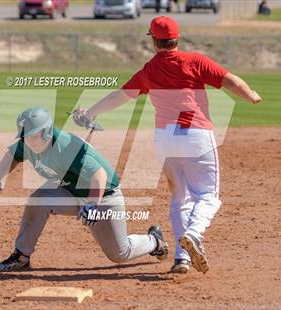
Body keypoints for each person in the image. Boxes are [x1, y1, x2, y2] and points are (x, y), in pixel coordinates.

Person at [73, 16, 262, 274]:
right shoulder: (194, 61)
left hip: (165, 139)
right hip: (195, 133)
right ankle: (194, 235)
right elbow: (232, 81)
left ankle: (182, 257)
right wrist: (251, 95)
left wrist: (90, 113)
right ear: (177, 38)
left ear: (153, 41)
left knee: (179, 196)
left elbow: (120, 96)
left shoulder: (149, 70)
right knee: (207, 195)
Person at [0, 107, 169, 272]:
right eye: (25, 136)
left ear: (47, 132)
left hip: (103, 196)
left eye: (32, 136)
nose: (28, 141)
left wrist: (92, 204)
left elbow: (99, 175)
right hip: (70, 192)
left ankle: (154, 241)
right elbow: (13, 154)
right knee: (38, 200)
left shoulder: (67, 146)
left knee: (119, 253)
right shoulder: (29, 142)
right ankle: (21, 257)